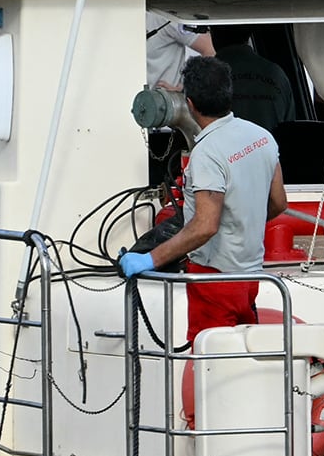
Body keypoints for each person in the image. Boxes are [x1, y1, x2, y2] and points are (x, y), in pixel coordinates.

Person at [121, 53, 287, 341]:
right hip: (250, 278)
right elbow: (278, 203)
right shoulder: (261, 137)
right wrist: (242, 219)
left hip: (213, 279)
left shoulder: (207, 152)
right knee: (243, 364)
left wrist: (149, 259)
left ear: (190, 104)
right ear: (228, 96)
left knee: (210, 370)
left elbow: (205, 225)